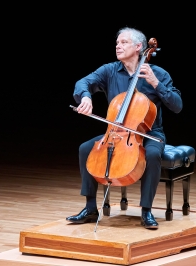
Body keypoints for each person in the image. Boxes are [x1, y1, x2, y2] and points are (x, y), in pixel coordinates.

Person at [66, 27, 183, 229]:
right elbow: (83, 82)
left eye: (123, 42)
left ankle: (146, 211)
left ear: (139, 47)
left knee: (153, 154)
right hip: (117, 131)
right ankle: (91, 208)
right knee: (86, 148)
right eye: (117, 43)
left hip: (150, 132)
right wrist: (85, 96)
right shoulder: (110, 70)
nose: (118, 46)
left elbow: (177, 105)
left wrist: (156, 84)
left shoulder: (158, 74)